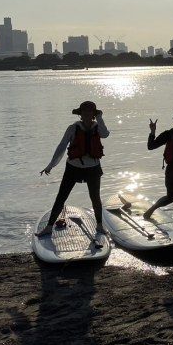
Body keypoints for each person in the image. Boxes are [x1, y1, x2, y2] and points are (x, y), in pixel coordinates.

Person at [36, 100, 110, 243]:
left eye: (90, 112)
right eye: (84, 112)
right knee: (61, 196)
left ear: (93, 114)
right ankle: (49, 226)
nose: (87, 114)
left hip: (93, 169)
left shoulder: (97, 127)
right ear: (80, 114)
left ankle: (100, 225)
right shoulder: (72, 128)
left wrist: (100, 117)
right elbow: (62, 147)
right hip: (73, 168)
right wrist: (51, 165)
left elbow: (105, 134)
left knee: (95, 197)